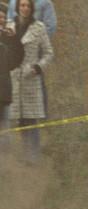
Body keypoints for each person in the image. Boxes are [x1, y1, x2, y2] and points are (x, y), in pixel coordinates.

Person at [8, 0, 52, 161]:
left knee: (31, 120)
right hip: (12, 78)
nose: (25, 8)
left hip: (31, 79)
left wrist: (38, 67)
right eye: (22, 5)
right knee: (17, 120)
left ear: (32, 8)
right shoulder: (9, 26)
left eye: (28, 5)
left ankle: (33, 157)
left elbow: (48, 53)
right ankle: (19, 157)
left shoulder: (39, 27)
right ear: (18, 7)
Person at [0, 3, 24, 145]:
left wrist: (14, 39)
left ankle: (7, 163)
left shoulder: (9, 37)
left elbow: (16, 61)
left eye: (2, 17)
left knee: (4, 131)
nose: (0, 20)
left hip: (4, 90)